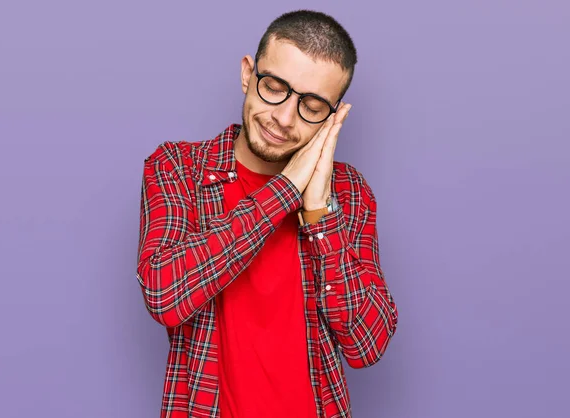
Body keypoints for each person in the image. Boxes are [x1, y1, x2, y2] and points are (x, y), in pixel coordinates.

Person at [136, 9, 398, 418]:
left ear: (332, 116)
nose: (284, 117)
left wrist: (317, 213)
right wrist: (287, 188)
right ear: (247, 74)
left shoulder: (348, 193)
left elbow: (368, 345)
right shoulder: (177, 168)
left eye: (311, 105)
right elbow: (164, 294)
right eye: (274, 87)